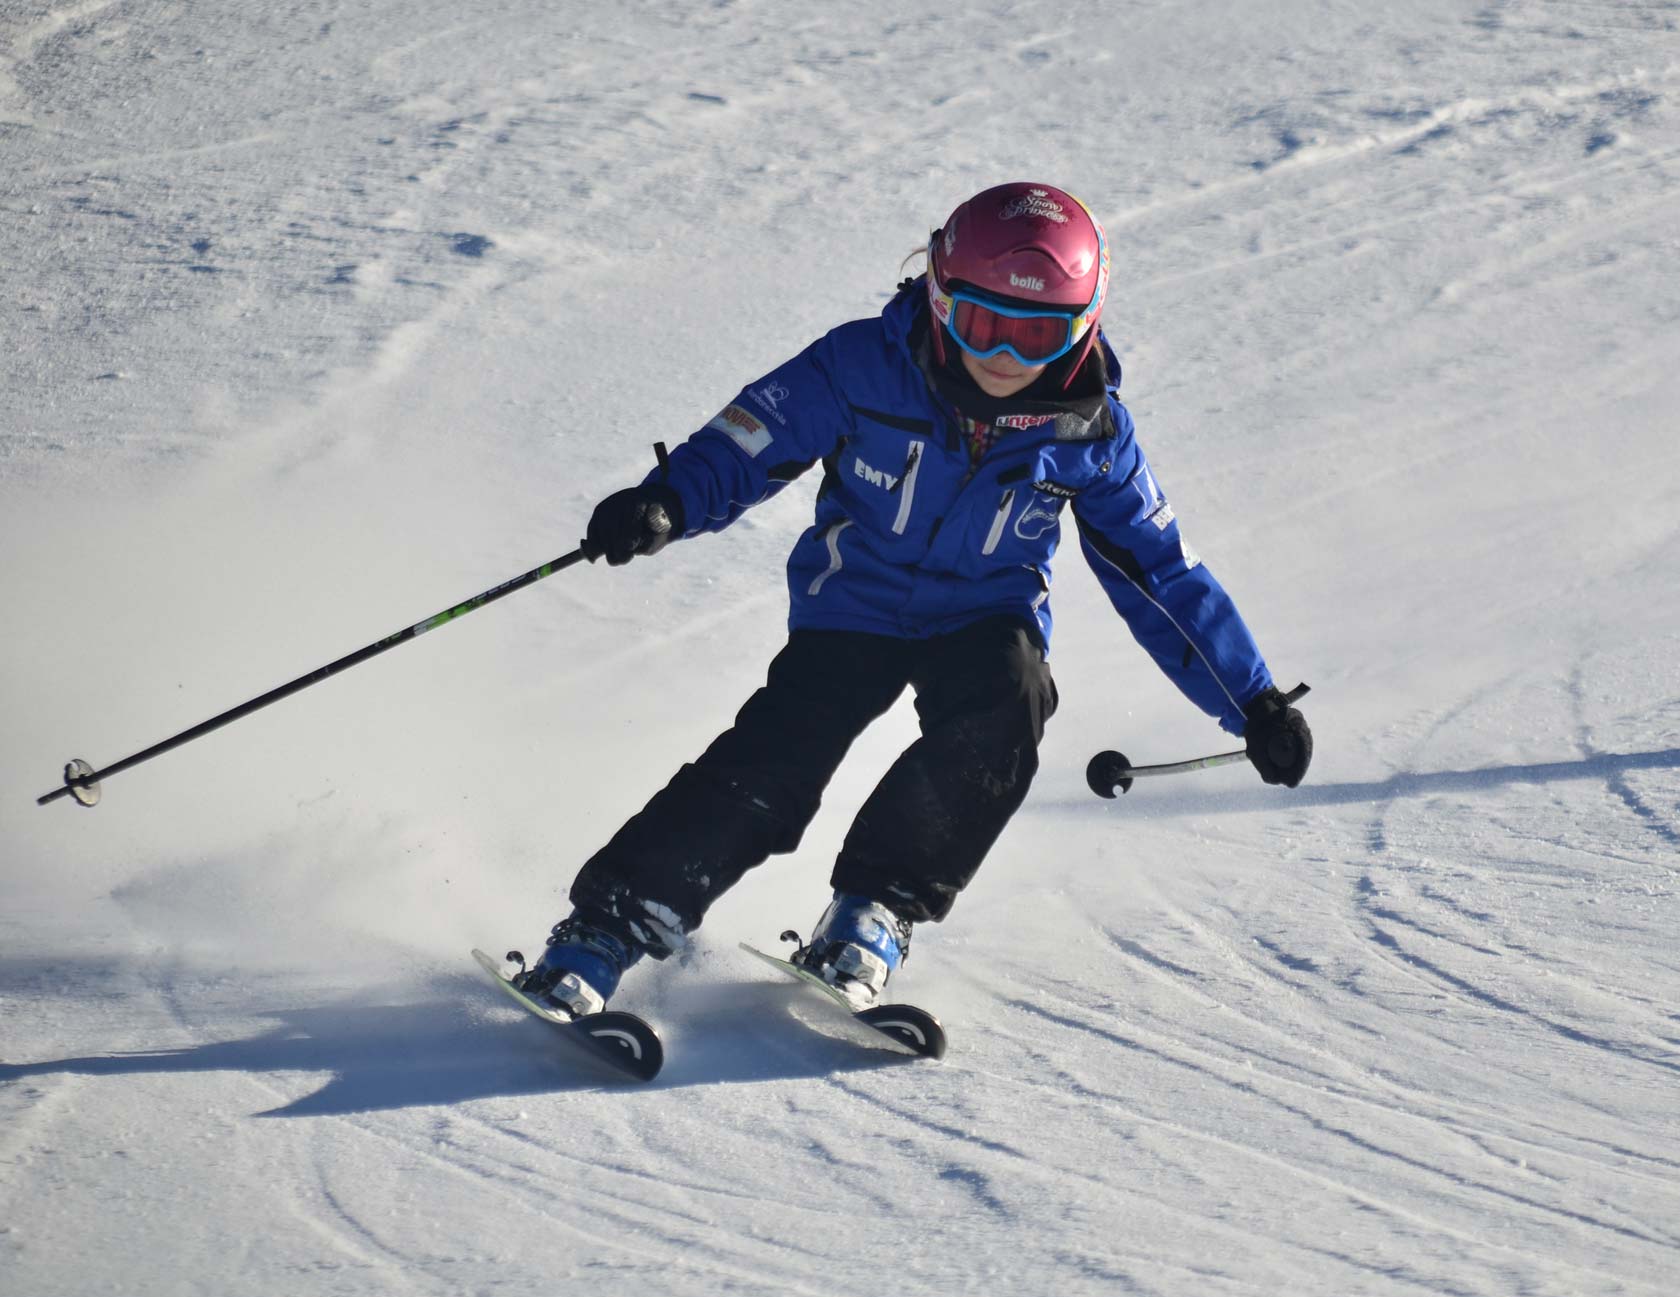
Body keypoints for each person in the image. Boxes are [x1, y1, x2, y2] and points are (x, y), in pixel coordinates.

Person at [516, 182, 1313, 1019]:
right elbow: (753, 436)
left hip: (982, 616)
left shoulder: (1090, 434)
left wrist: (1250, 699)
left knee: (1010, 706)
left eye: (1039, 334)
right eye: (983, 323)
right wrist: (669, 500)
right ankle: (607, 926)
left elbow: (1159, 570)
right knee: (779, 759)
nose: (1006, 356)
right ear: (938, 295)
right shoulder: (862, 364)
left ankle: (875, 909)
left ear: (1083, 329)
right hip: (851, 607)